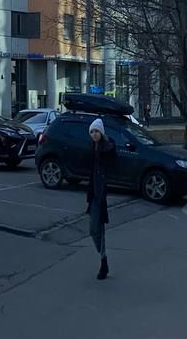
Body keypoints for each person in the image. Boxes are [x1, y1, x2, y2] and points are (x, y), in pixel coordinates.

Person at [85, 117, 117, 281]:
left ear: (101, 132)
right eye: (92, 132)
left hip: (101, 193)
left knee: (99, 228)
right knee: (93, 229)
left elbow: (113, 163)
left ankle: (103, 261)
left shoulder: (107, 148)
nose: (94, 134)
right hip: (93, 193)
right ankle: (103, 258)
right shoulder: (92, 148)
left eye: (96, 131)